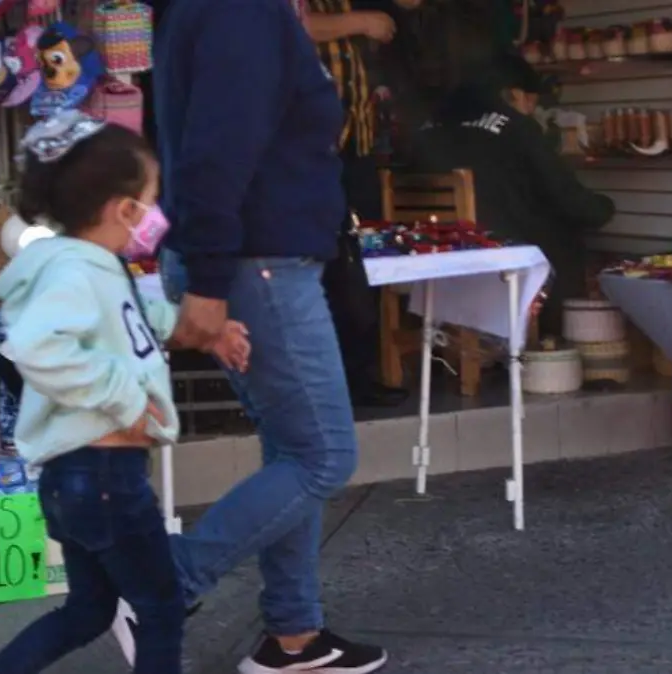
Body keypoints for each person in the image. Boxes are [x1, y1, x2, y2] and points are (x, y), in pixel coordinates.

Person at [125, 0, 389, 672]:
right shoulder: (239, 10)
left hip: (253, 257)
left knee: (292, 449)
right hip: (253, 262)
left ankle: (294, 637)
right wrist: (210, 282)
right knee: (324, 455)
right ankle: (165, 584)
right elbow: (217, 153)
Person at [0, 112, 250, 674]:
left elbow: (134, 318)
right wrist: (125, 397)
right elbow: (35, 346)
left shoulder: (94, 267)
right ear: (125, 209)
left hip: (80, 481)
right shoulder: (76, 272)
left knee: (89, 610)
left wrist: (206, 332)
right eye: (151, 198)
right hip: (103, 478)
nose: (156, 213)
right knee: (162, 607)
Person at [411, 51, 615, 336]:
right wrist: (602, 209)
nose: (531, 108)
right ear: (511, 93)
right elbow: (564, 193)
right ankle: (550, 341)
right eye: (530, 98)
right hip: (491, 249)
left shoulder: (427, 125)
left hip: (424, 251)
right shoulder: (515, 126)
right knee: (563, 237)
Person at [306, 0, 419, 406]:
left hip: (357, 148)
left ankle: (358, 375)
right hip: (310, 152)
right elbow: (293, 27)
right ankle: (325, 384)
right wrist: (360, 22)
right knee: (321, 265)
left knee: (362, 263)